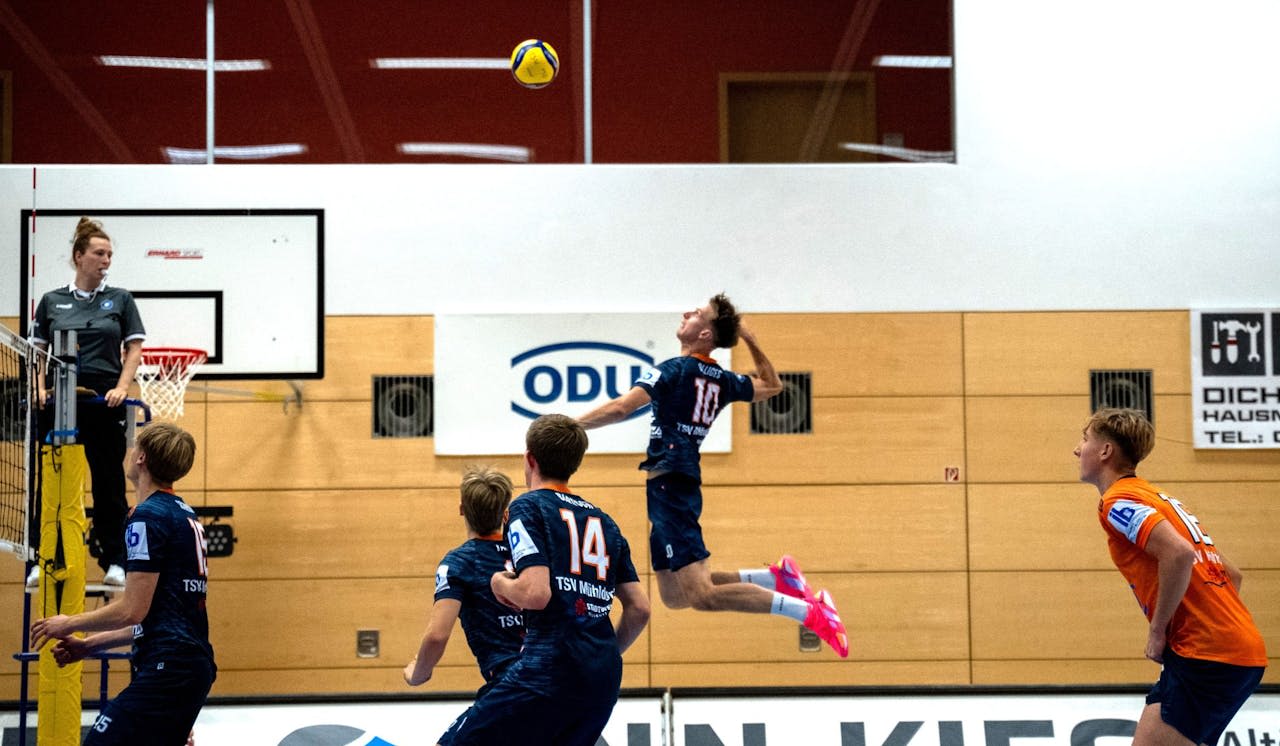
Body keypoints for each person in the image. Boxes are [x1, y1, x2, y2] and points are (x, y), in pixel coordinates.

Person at [577, 293, 848, 657]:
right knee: (675, 595)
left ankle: (810, 611)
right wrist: (750, 340)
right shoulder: (721, 379)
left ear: (705, 335)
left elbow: (623, 407)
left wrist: (570, 424)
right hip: (670, 484)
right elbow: (772, 385)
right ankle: (776, 578)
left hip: (672, 483)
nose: (687, 313)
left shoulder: (673, 370)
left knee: (702, 597)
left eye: (697, 314)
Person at [442, 414, 650, 746]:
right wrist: (601, 654)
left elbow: (535, 593)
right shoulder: (606, 522)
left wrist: (500, 584)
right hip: (601, 679)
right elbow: (640, 609)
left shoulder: (527, 507)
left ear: (529, 458)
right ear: (575, 464)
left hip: (547, 668)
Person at [1075, 407, 1266, 746]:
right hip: (1234, 650)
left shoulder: (1118, 501)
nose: (1078, 449)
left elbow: (1178, 554)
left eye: (1085, 440)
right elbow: (1231, 575)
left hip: (1207, 656)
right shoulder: (1159, 500)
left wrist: (1158, 631)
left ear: (1105, 451)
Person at [30, 421, 216, 746]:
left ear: (140, 457)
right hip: (186, 666)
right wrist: (88, 645)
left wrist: (68, 623)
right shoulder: (184, 514)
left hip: (170, 667)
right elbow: (156, 617)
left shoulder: (148, 516)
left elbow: (132, 610)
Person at [29, 216, 145, 587]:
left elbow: (134, 348)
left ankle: (115, 562)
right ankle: (42, 558)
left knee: (109, 484)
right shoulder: (52, 302)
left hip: (103, 401)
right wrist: (39, 389)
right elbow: (38, 354)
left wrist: (123, 387)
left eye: (110, 253)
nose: (106, 259)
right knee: (51, 482)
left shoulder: (121, 300)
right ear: (79, 256)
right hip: (60, 399)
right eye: (99, 253)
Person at [404, 465, 526, 744]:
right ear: (505, 512)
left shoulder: (459, 562)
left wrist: (417, 672)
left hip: (509, 684)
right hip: (552, 676)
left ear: (462, 509)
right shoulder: (528, 555)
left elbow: (437, 635)